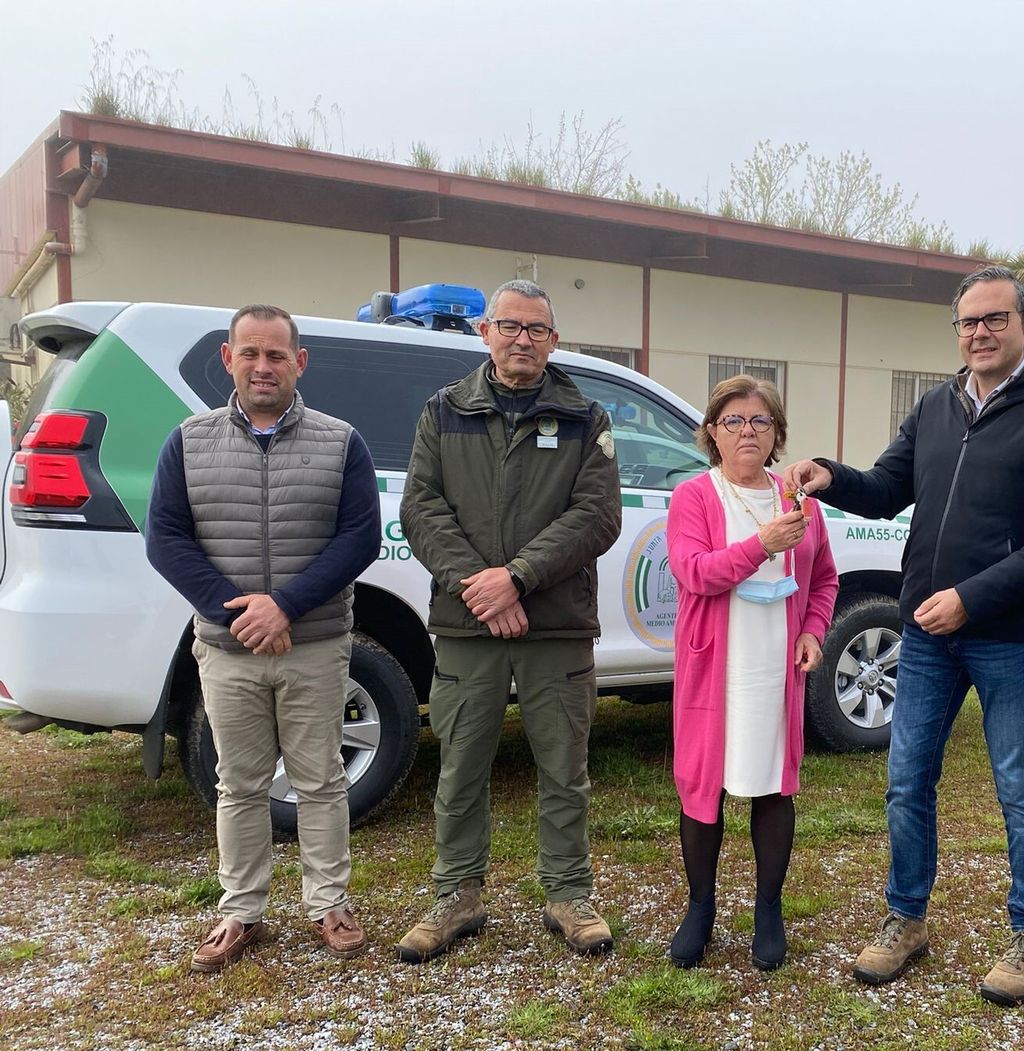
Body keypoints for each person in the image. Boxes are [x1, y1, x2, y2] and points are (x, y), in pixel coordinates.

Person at [783, 264, 1024, 1006]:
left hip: (1009, 635)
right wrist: (831, 473)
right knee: (905, 782)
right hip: (927, 632)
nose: (980, 333)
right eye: (967, 323)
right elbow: (889, 487)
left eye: (994, 319)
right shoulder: (936, 407)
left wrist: (971, 598)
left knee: (1019, 787)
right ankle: (907, 919)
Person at [145, 303, 381, 972]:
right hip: (228, 650)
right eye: (250, 353)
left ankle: (329, 902)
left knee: (321, 780)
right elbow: (165, 538)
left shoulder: (342, 442)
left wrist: (286, 606)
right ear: (229, 359)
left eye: (277, 354)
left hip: (315, 644)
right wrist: (241, 613)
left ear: (299, 362)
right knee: (240, 784)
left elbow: (359, 537)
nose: (263, 365)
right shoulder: (187, 441)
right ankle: (240, 911)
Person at [396, 279, 622, 962]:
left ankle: (568, 893)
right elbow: (421, 509)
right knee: (461, 764)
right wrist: (481, 588)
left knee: (564, 768)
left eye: (537, 330)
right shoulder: (443, 412)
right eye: (510, 326)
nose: (523, 339)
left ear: (554, 342)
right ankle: (456, 895)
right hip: (469, 624)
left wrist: (517, 578)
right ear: (484, 332)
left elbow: (596, 516)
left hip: (555, 625)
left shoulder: (588, 418)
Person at [664, 375, 839, 971]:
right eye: (733, 421)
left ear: (776, 434)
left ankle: (768, 909)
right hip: (716, 662)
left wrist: (814, 630)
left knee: (772, 784)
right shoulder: (695, 495)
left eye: (760, 422)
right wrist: (761, 545)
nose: (747, 431)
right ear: (712, 432)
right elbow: (694, 572)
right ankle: (700, 908)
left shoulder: (798, 499)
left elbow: (824, 579)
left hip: (776, 663)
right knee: (702, 785)